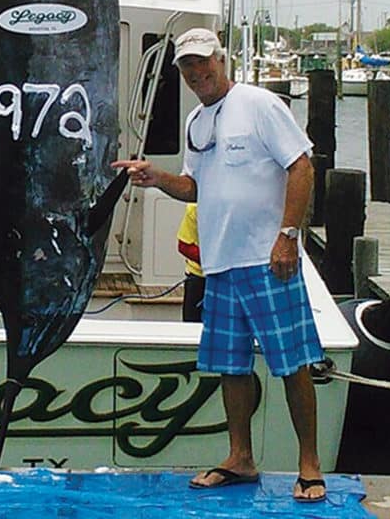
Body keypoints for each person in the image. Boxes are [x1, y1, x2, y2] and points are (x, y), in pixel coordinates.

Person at [113, 28, 326, 502]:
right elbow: (194, 187)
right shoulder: (196, 121)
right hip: (220, 263)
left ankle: (309, 465)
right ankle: (240, 458)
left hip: (268, 259)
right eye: (188, 65)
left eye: (203, 61)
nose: (197, 72)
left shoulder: (260, 105)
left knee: (293, 364)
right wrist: (157, 177)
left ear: (221, 60)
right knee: (231, 367)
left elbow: (302, 166)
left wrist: (287, 236)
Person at [176, 203, 205, 322]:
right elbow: (184, 246)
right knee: (192, 327)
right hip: (199, 278)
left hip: (231, 277)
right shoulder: (195, 207)